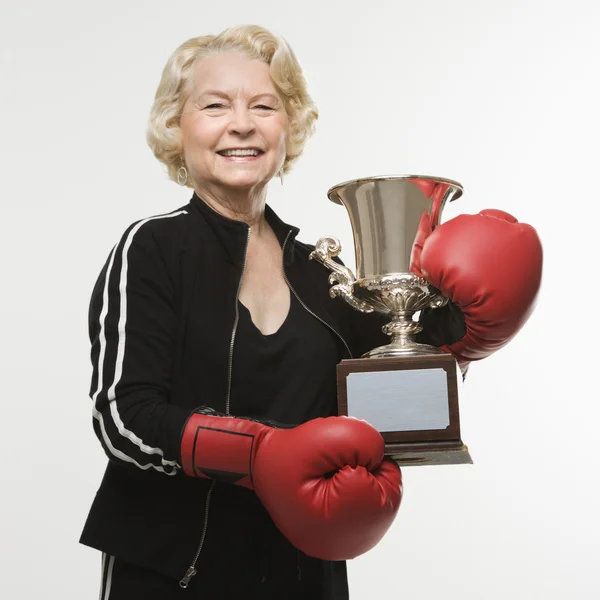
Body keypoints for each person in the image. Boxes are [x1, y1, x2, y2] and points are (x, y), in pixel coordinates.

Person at [80, 24, 542, 600]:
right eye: (215, 105)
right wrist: (260, 454)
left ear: (287, 128)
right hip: (172, 571)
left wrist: (468, 337)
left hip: (302, 574)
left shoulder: (327, 276)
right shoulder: (151, 248)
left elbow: (398, 394)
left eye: (264, 106)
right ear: (177, 126)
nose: (242, 124)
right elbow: (124, 418)